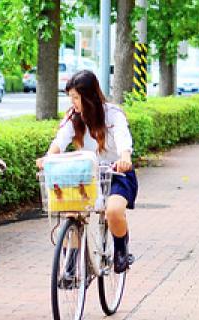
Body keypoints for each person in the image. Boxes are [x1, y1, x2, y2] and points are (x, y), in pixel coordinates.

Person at [36, 70, 138, 273]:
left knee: (114, 210)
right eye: (71, 97)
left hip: (115, 173)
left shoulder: (113, 114)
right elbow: (60, 141)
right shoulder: (74, 117)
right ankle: (71, 264)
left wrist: (125, 158)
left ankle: (120, 249)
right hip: (86, 175)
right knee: (70, 211)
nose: (72, 102)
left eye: (76, 97)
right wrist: (48, 158)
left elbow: (122, 138)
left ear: (89, 97)